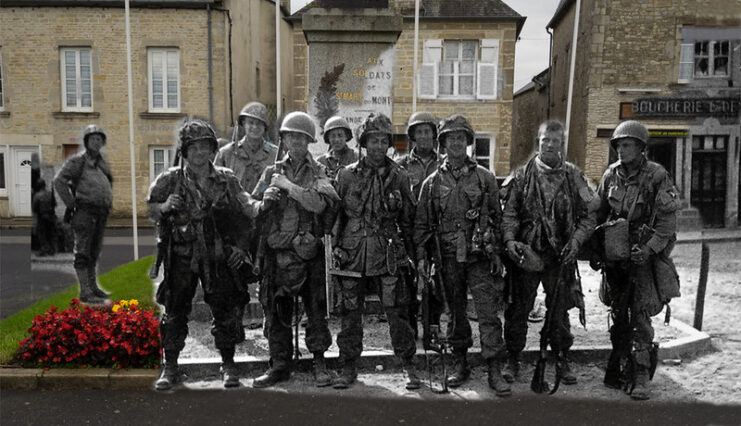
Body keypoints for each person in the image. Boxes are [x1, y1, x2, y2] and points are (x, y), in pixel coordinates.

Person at [147, 117, 259, 390]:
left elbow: (246, 213)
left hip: (218, 255)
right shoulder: (170, 180)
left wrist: (242, 248)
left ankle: (229, 365)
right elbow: (151, 208)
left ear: (212, 150)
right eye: (194, 148)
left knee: (225, 311)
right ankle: (170, 366)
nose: (200, 153)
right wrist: (164, 207)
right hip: (182, 256)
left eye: (205, 147)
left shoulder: (226, 179)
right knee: (174, 313)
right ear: (185, 151)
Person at [414, 114, 510, 396]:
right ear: (442, 144)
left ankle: (494, 367)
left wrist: (496, 251)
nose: (456, 143)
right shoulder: (431, 183)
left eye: (461, 138)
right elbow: (421, 225)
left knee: (487, 312)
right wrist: (422, 258)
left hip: (479, 256)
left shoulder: (485, 178)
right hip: (446, 258)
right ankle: (461, 362)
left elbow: (498, 217)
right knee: (455, 312)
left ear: (468, 143)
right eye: (450, 138)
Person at [500, 119, 598, 386]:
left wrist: (576, 242)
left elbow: (590, 216)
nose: (550, 145)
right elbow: (509, 215)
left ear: (562, 144)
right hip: (527, 255)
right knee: (518, 310)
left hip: (560, 256)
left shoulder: (574, 176)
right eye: (546, 140)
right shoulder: (521, 176)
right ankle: (513, 358)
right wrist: (510, 242)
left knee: (559, 311)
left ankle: (562, 359)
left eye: (556, 141)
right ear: (538, 142)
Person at [329, 112, 420, 390]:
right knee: (350, 313)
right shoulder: (345, 176)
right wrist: (335, 249)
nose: (379, 146)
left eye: (384, 141)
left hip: (388, 253)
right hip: (352, 253)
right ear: (364, 143)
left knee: (397, 312)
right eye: (373, 140)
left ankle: (408, 365)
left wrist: (414, 257)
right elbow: (336, 218)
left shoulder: (400, 177)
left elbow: (408, 220)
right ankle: (347, 366)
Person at [250, 111, 338, 389]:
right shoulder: (270, 172)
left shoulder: (320, 170)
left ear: (309, 141)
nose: (296, 142)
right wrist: (265, 199)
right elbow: (251, 208)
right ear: (284, 140)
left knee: (316, 310)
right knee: (277, 312)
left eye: (301, 137)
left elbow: (319, 204)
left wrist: (288, 186)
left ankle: (319, 362)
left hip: (309, 250)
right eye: (291, 137)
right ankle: (279, 365)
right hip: (278, 252)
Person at [596, 120, 679, 401]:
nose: (621, 149)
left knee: (640, 315)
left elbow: (667, 223)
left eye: (627, 144)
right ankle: (620, 365)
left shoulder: (657, 176)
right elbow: (598, 213)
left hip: (643, 259)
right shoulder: (611, 175)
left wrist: (649, 249)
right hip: (616, 258)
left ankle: (641, 373)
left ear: (641, 148)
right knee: (618, 314)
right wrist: (596, 251)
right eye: (618, 144)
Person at [214, 101, 278, 343]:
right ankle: (235, 323)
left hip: (265, 222)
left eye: (259, 124)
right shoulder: (227, 153)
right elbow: (216, 187)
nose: (254, 128)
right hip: (235, 225)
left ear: (264, 128)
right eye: (250, 123)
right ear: (243, 125)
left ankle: (270, 323)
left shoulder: (274, 153)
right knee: (234, 277)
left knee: (269, 276)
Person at [395, 111, 443, 341]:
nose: (423, 136)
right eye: (419, 132)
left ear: (434, 136)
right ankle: (411, 326)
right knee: (409, 279)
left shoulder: (444, 163)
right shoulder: (400, 166)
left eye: (428, 132)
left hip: (437, 231)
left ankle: (433, 325)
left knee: (437, 280)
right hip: (408, 230)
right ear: (412, 136)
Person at [54, 124, 113, 304]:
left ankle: (93, 287)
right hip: (85, 212)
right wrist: (71, 203)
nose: (97, 142)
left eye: (99, 139)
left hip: (100, 212)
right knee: (83, 251)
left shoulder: (101, 162)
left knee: (94, 251)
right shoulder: (78, 162)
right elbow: (59, 181)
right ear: (86, 142)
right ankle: (85, 291)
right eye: (93, 139)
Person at [317, 115, 358, 180]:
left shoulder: (356, 157)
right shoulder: (321, 161)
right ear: (328, 138)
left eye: (340, 135)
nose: (337, 140)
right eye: (333, 136)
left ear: (346, 136)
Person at [32, 179, 58, 256]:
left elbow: (34, 208)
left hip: (42, 217)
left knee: (42, 234)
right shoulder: (50, 194)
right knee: (50, 233)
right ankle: (52, 250)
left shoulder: (37, 195)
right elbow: (54, 204)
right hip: (51, 216)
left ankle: (44, 249)